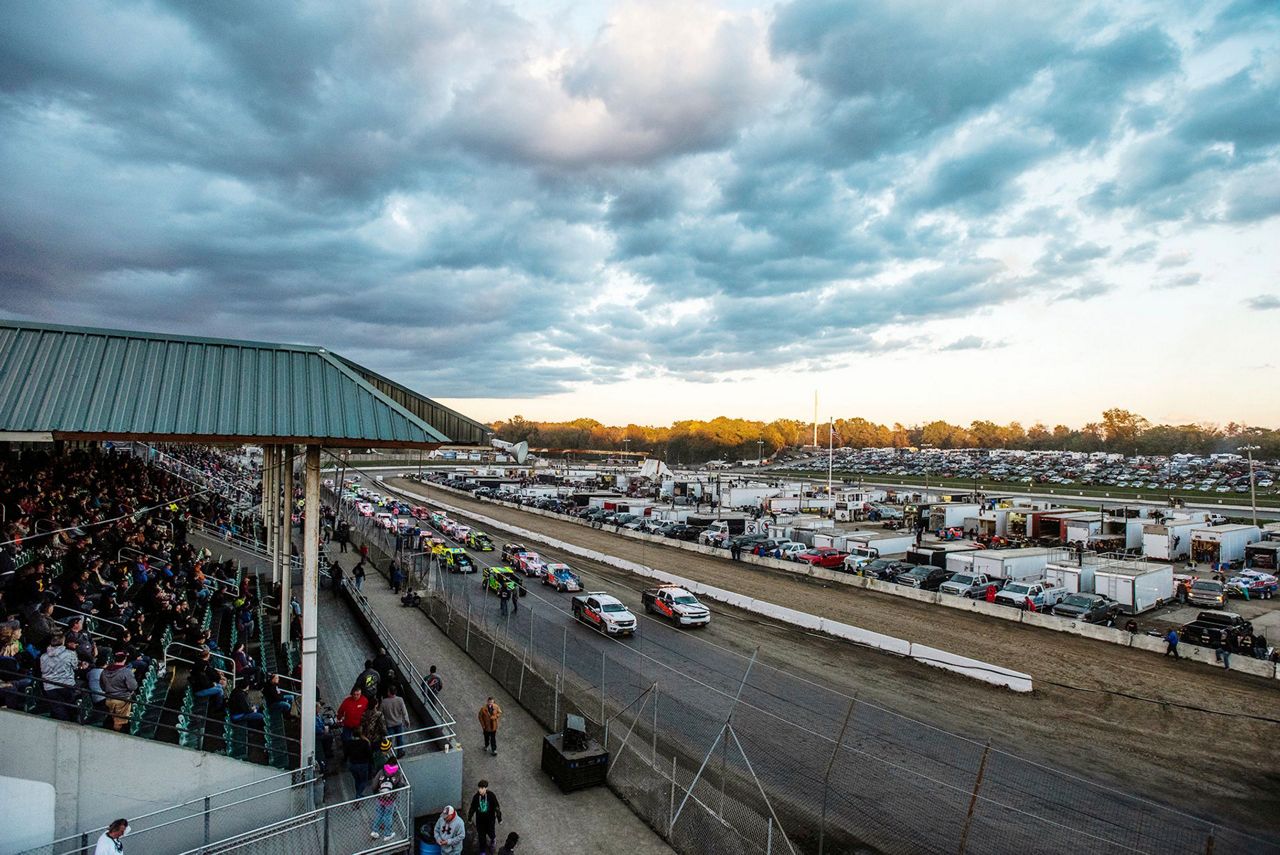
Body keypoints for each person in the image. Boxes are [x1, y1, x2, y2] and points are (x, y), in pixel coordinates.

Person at [40, 633, 82, 721]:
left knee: (58, 709)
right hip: (66, 685)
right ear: (63, 642)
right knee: (70, 707)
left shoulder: (43, 657)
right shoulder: (70, 654)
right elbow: (75, 666)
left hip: (49, 687)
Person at [369, 759, 407, 841]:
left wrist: (376, 793)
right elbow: (401, 784)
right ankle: (387, 834)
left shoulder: (381, 771)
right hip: (390, 799)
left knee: (379, 813)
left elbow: (374, 785)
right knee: (388, 816)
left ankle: (375, 831)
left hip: (380, 798)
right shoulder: (397, 773)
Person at [100, 650, 138, 731]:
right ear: (125, 659)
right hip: (122, 701)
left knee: (113, 718)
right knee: (119, 722)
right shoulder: (126, 671)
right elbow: (133, 687)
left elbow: (102, 686)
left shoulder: (104, 671)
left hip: (109, 700)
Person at [467, 779, 503, 854]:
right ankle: (482, 851)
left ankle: (493, 840)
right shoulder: (476, 797)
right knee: (481, 837)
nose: (480, 790)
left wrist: (499, 818)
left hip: (490, 821)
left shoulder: (491, 796)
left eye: (482, 788)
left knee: (491, 833)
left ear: (486, 788)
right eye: (479, 788)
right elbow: (472, 808)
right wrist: (469, 818)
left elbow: (497, 807)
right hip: (480, 822)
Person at [346, 732, 372, 796]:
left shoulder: (349, 743)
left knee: (357, 780)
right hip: (363, 764)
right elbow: (369, 754)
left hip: (352, 764)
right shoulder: (364, 743)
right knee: (364, 781)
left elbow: (346, 754)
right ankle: (358, 794)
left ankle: (358, 793)